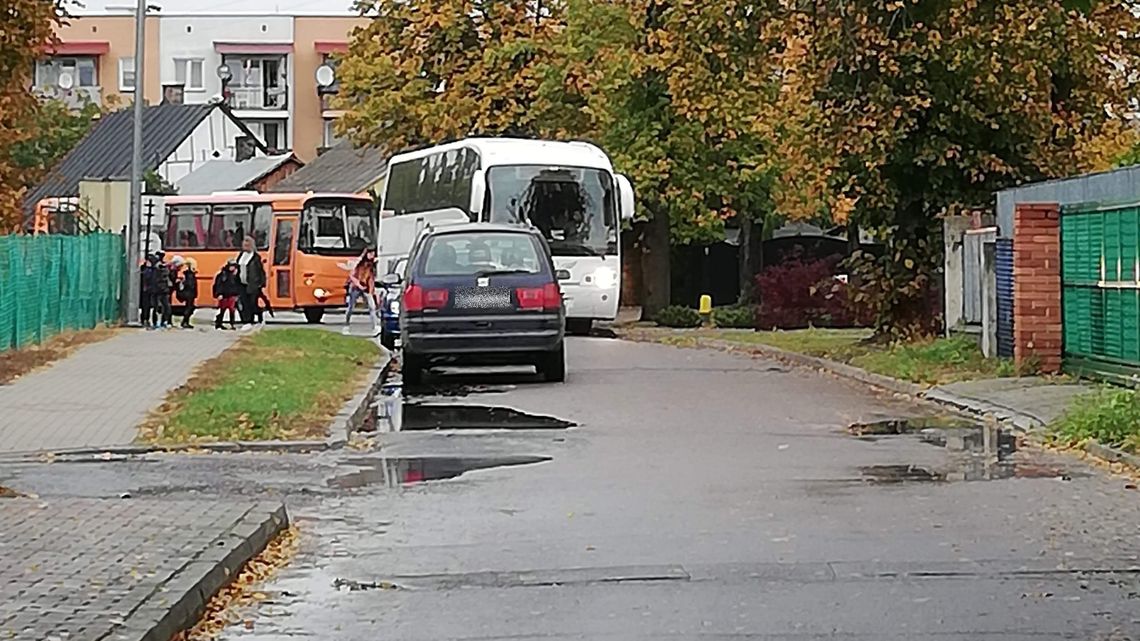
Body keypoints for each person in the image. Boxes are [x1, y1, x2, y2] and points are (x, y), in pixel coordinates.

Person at [343, 247, 378, 336]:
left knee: (372, 307)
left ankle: (375, 326)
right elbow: (351, 276)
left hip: (366, 288)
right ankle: (346, 325)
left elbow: (371, 279)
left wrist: (372, 291)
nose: (372, 256)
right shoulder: (359, 263)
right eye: (370, 254)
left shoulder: (372, 265)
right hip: (356, 287)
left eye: (373, 254)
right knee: (351, 307)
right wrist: (358, 284)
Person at [235, 235, 266, 331]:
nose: (246, 244)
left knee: (252, 303)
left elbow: (260, 271)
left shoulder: (256, 257)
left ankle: (256, 318)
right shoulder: (241, 256)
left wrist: (261, 283)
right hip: (241, 284)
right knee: (243, 303)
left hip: (253, 285)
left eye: (248, 242)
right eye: (244, 242)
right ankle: (246, 321)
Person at [212, 260, 241, 330]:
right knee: (222, 310)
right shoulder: (223, 275)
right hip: (224, 295)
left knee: (232, 310)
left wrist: (237, 294)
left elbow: (237, 285)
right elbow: (219, 285)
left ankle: (232, 324)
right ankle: (219, 323)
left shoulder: (235, 275)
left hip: (232, 295)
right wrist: (219, 294)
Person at [175, 256, 199, 329]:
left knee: (189, 308)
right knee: (189, 308)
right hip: (189, 294)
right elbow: (191, 285)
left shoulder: (188, 274)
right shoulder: (190, 274)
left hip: (189, 293)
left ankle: (185, 321)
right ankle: (185, 322)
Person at [153, 251, 173, 330]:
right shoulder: (158, 267)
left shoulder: (163, 266)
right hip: (158, 289)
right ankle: (157, 322)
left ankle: (164, 321)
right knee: (158, 307)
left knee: (165, 307)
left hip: (163, 289)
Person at [141, 253, 158, 330]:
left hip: (149, 290)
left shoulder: (149, 270)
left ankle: (146, 320)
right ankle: (146, 320)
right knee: (148, 306)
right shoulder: (151, 270)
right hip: (150, 290)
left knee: (148, 306)